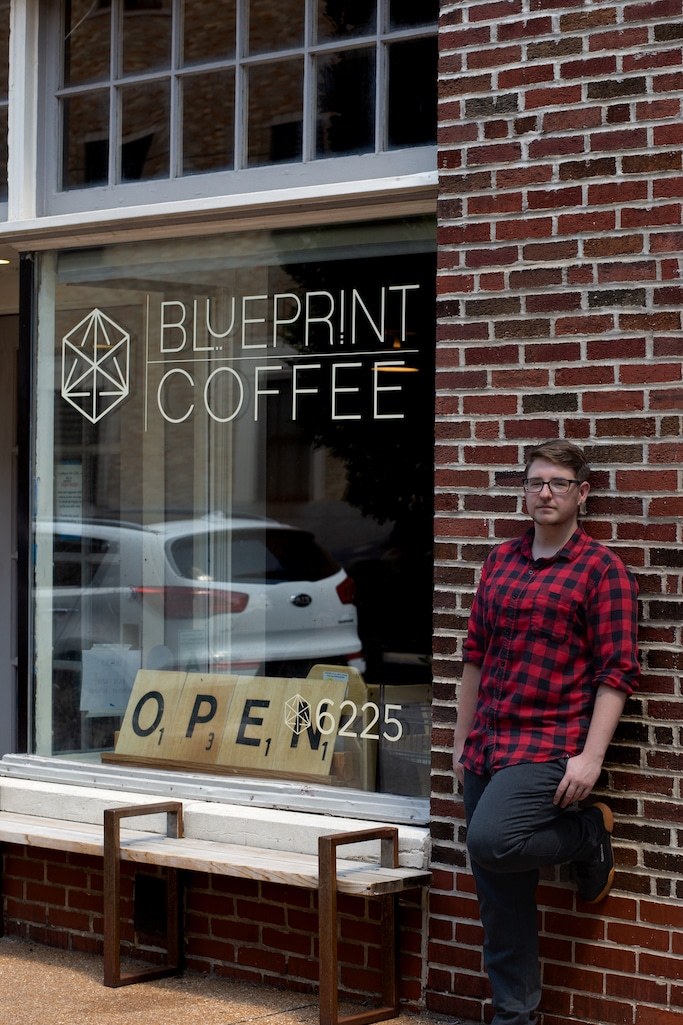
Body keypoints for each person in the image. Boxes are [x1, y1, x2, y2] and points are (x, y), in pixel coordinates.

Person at [452, 440, 639, 1025]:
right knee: (500, 903)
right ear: (524, 491)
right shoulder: (500, 560)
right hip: (488, 742)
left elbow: (617, 674)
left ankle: (587, 836)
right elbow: (474, 660)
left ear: (582, 493)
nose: (546, 493)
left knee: (492, 842)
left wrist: (590, 759)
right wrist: (460, 743)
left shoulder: (601, 569)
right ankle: (516, 1018)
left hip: (548, 745)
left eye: (558, 483)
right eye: (536, 482)